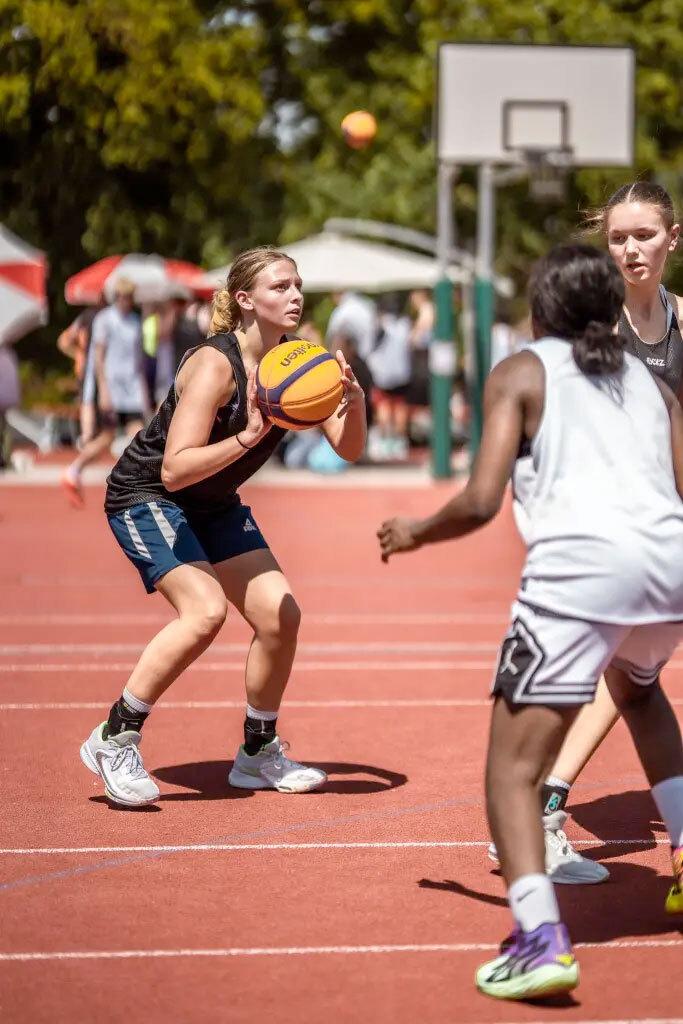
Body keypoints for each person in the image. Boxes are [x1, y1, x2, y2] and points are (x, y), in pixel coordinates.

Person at [378, 245, 683, 1000]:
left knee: (510, 771)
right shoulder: (650, 382)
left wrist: (415, 530)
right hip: (673, 564)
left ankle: (538, 939)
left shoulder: (521, 370)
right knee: (639, 691)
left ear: (541, 309)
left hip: (580, 571)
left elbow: (482, 500)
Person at [79, 246, 366, 807]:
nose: (295, 295)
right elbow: (174, 466)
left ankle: (258, 753)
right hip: (147, 495)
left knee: (281, 616)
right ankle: (114, 736)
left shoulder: (300, 363)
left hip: (211, 502)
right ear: (245, 300)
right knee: (204, 611)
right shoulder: (215, 365)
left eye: (297, 285)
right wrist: (249, 436)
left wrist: (353, 401)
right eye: (280, 286)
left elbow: (348, 448)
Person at [497, 181, 682, 885]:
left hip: (660, 532)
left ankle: (540, 804)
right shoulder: (585, 328)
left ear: (672, 238)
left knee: (630, 675)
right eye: (616, 237)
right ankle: (540, 806)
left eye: (642, 235)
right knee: (623, 677)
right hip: (592, 528)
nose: (630, 249)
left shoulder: (682, 324)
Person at [62, 279, 149, 507]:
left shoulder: (135, 321)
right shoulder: (104, 319)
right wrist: (103, 390)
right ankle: (75, 469)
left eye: (129, 296)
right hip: (112, 386)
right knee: (106, 437)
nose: (125, 300)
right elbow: (98, 358)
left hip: (131, 388)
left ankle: (134, 483)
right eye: (121, 295)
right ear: (115, 296)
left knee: (138, 434)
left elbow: (138, 359)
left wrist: (143, 391)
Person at [326, 289, 377, 361]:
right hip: (366, 357)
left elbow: (335, 336)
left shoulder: (342, 311)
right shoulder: (367, 306)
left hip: (350, 359)